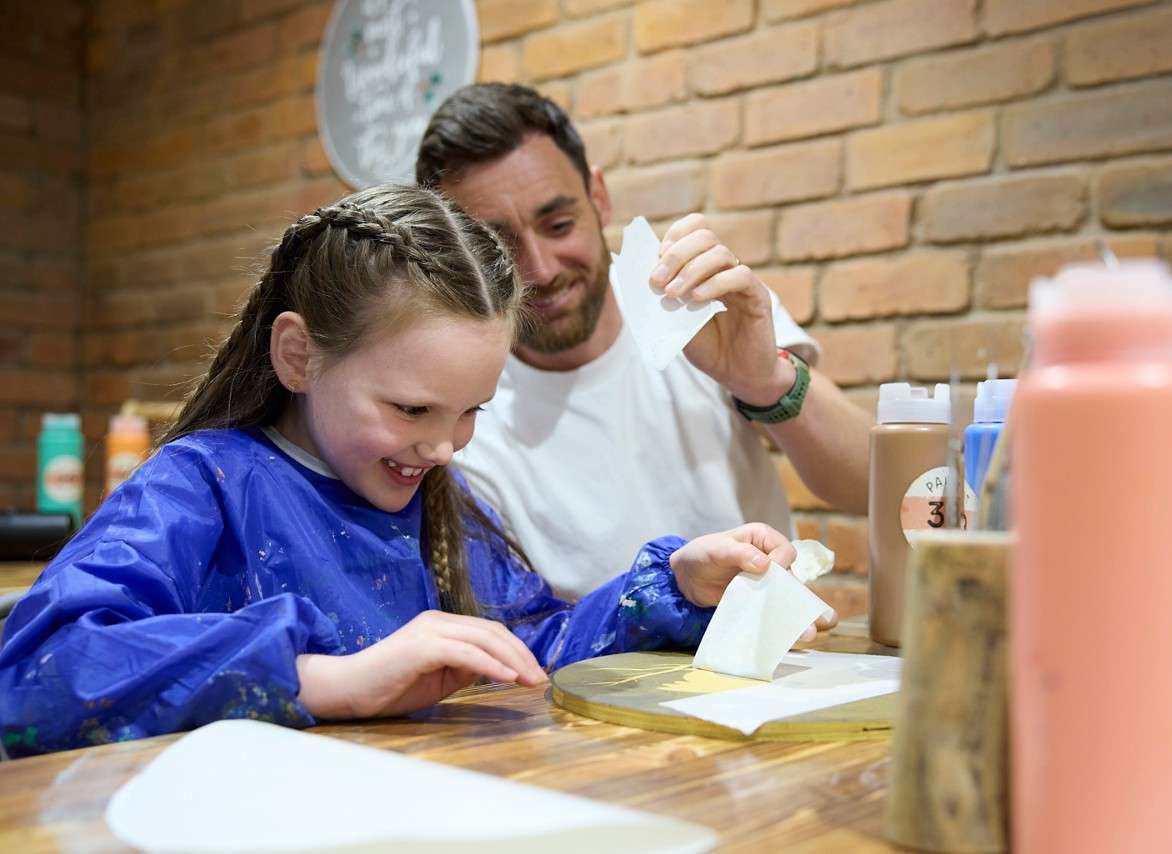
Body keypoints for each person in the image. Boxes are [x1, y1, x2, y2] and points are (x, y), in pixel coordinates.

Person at [0, 185, 802, 759]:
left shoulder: (439, 503)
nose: (447, 447)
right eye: (413, 411)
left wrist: (673, 587)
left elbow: (529, 646)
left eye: (470, 412)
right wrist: (327, 680)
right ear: (298, 355)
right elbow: (37, 676)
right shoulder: (200, 486)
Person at [416, 83, 873, 600]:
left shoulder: (691, 300)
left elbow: (869, 487)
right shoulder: (457, 410)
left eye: (559, 224)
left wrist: (765, 381)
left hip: (765, 667)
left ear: (599, 198)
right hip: (580, 678)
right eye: (496, 245)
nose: (540, 269)